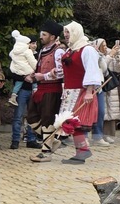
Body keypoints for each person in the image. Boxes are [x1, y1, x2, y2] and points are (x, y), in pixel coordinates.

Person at [48, 22, 102, 164]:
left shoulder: (87, 50)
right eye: (65, 32)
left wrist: (89, 91)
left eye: (68, 32)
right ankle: (82, 151)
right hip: (70, 91)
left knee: (74, 122)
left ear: (76, 32)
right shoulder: (72, 49)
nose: (66, 35)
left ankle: (82, 151)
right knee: (70, 122)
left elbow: (92, 70)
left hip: (81, 91)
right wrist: (55, 72)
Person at [28, 20, 66, 161]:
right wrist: (33, 75)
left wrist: (43, 76)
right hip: (41, 88)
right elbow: (40, 68)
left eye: (44, 34)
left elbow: (61, 73)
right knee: (31, 117)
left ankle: (46, 152)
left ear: (52, 36)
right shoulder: (42, 51)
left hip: (52, 89)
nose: (41, 37)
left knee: (47, 120)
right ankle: (51, 140)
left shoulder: (59, 51)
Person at [6, 31, 38, 149]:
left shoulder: (37, 55)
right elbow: (12, 72)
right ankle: (15, 140)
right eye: (32, 43)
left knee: (32, 115)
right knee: (18, 116)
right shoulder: (18, 54)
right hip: (22, 90)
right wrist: (25, 76)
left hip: (34, 88)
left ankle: (31, 139)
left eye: (35, 43)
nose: (34, 45)